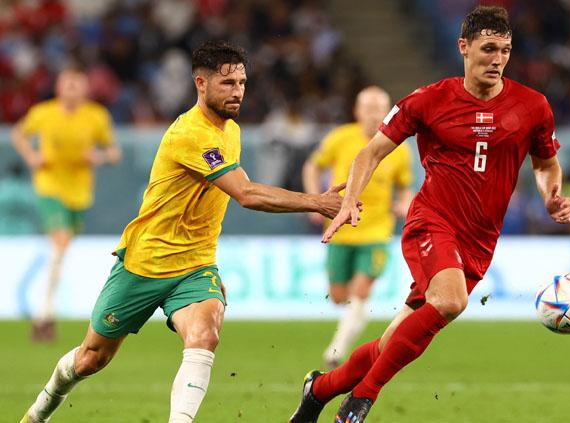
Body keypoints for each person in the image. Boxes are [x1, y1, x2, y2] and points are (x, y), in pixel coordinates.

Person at [20, 40, 349, 423]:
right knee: (91, 358)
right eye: (227, 84)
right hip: (145, 264)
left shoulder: (232, 131)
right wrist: (317, 202)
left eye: (242, 82)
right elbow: (244, 193)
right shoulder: (190, 134)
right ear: (201, 83)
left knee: (205, 334)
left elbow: (211, 205)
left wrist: (208, 265)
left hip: (194, 267)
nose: (238, 91)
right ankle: (40, 410)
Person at [289, 6, 570, 422]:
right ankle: (361, 400)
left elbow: (546, 164)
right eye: (488, 48)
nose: (497, 59)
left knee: (394, 341)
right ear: (464, 47)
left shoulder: (532, 107)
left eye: (505, 51)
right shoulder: (427, 100)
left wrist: (552, 195)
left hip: (479, 242)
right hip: (432, 221)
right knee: (451, 301)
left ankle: (319, 390)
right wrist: (350, 198)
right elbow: (371, 152)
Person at [302, 86, 413, 370]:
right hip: (340, 231)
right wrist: (314, 199)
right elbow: (312, 166)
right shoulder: (341, 138)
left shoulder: (398, 149)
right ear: (357, 111)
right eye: (369, 107)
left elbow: (405, 188)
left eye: (380, 108)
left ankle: (335, 351)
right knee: (339, 297)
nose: (375, 113)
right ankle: (356, 318)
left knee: (361, 290)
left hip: (376, 232)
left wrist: (404, 204)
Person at [11, 64, 122, 342]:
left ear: (85, 89)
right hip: (50, 187)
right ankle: (44, 315)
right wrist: (31, 157)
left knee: (62, 248)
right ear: (59, 87)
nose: (72, 89)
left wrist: (99, 157)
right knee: (60, 241)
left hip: (80, 193)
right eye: (67, 83)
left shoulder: (96, 116)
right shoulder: (43, 113)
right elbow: (18, 134)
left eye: (77, 84)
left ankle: (45, 313)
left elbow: (114, 152)